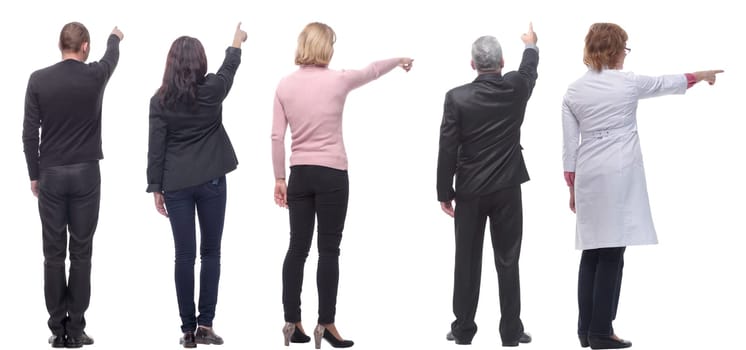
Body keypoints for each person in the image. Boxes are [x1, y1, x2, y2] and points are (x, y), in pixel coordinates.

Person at [562, 22, 723, 349]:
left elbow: (568, 147)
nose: (625, 53)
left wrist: (571, 186)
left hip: (589, 174)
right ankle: (601, 332)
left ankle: (585, 329)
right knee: (612, 252)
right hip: (618, 173)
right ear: (614, 50)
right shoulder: (627, 83)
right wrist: (700, 74)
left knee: (592, 251)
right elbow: (666, 83)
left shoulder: (573, 90)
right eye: (624, 47)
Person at [272, 21, 413, 349]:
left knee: (297, 248)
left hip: (300, 174)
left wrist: (279, 178)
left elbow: (277, 136)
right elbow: (372, 70)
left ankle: (291, 321)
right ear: (325, 47)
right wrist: (400, 60)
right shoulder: (339, 80)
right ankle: (327, 323)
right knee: (329, 250)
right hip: (333, 174)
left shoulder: (284, 85)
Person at [146, 23, 247, 348]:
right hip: (212, 180)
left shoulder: (160, 101)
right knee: (211, 252)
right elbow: (229, 68)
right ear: (200, 63)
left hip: (176, 184)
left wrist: (156, 186)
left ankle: (188, 330)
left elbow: (156, 146)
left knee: (184, 256)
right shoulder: (212, 90)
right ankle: (205, 324)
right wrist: (236, 41)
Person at [436, 23, 538, 347]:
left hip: (469, 191)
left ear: (472, 64)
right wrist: (531, 44)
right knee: (508, 260)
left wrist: (444, 192)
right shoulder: (515, 87)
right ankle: (511, 332)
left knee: (466, 260)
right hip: (508, 188)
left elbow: (447, 147)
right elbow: (529, 68)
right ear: (502, 62)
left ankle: (463, 329)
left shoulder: (457, 98)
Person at [22, 22, 122, 349]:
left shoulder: (38, 80)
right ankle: (76, 330)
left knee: (53, 255)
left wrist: (34, 174)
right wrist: (115, 37)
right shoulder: (95, 75)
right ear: (85, 47)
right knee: (81, 254)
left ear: (60, 45)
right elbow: (112, 57)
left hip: (50, 174)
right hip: (85, 175)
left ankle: (57, 329)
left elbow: (28, 134)